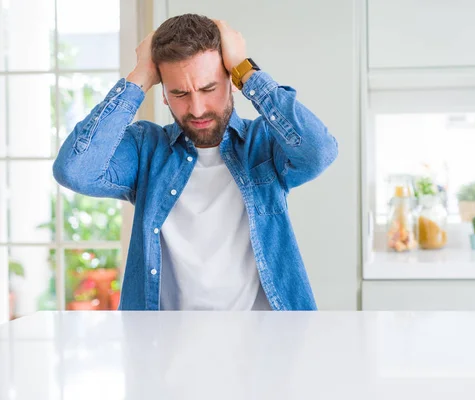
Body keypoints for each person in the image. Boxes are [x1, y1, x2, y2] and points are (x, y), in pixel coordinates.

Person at [53, 14, 338, 311]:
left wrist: (245, 67)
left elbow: (319, 151)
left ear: (231, 81)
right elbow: (75, 170)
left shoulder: (263, 143)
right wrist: (140, 76)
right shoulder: (146, 149)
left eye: (208, 89)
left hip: (263, 343)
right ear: (163, 94)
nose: (197, 109)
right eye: (179, 93)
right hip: (166, 346)